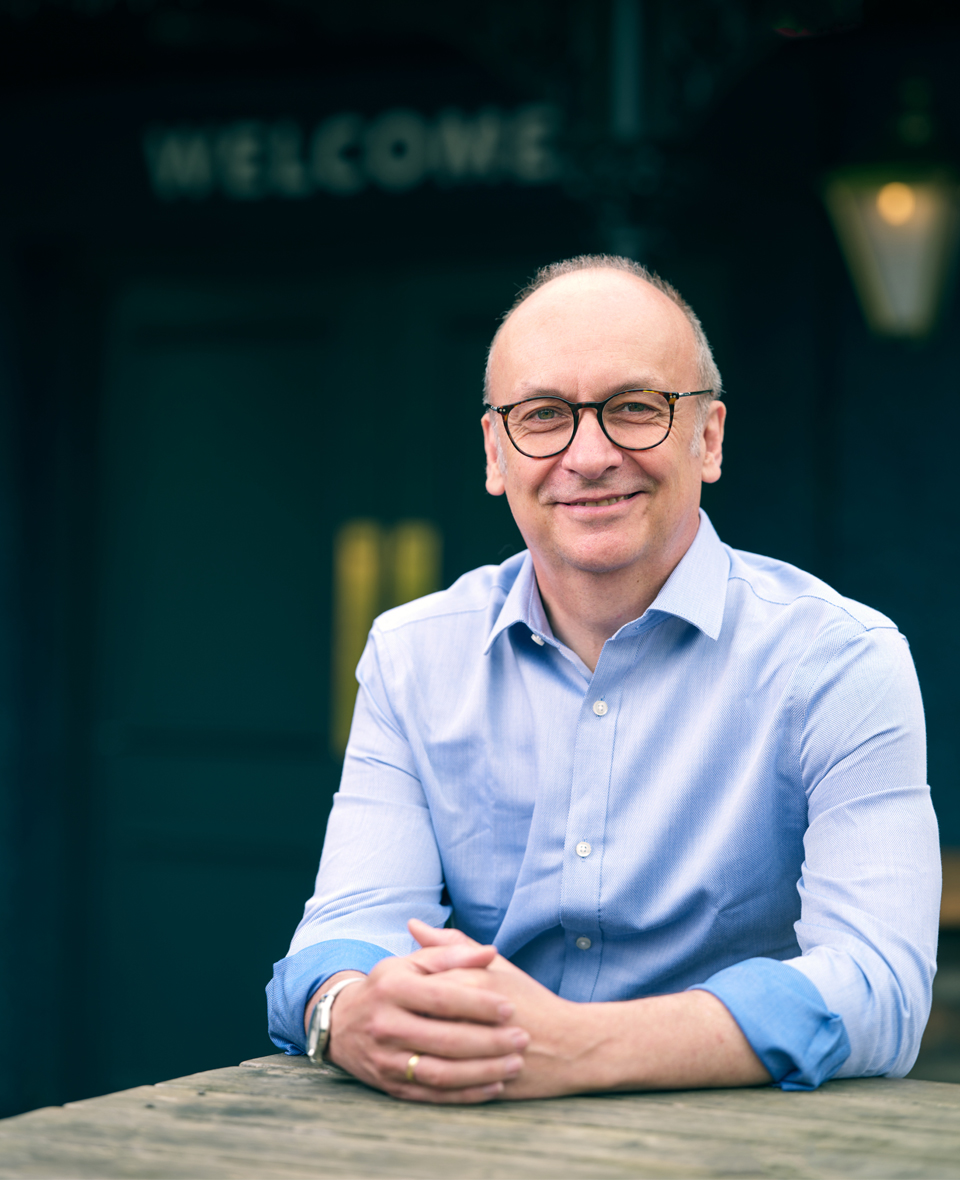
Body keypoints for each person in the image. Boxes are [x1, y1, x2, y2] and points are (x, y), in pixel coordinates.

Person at [266, 255, 940, 1104]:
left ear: (710, 437)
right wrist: (349, 1012)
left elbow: (882, 989)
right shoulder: (413, 655)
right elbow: (340, 936)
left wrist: (578, 1047)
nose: (588, 456)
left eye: (634, 409)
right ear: (495, 452)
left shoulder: (841, 660)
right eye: (543, 415)